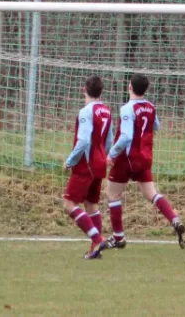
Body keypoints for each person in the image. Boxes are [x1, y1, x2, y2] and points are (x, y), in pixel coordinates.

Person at [106, 74, 185, 249]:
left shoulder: (127, 108)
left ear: (130, 87)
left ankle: (118, 237)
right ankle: (175, 220)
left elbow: (126, 136)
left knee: (113, 194)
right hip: (145, 157)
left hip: (127, 158)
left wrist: (112, 154)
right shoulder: (151, 107)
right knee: (151, 193)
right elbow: (156, 126)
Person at [63, 76, 112, 259]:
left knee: (69, 204)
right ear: (101, 91)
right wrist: (104, 157)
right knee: (91, 204)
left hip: (86, 163)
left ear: (84, 89)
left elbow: (83, 141)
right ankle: (95, 250)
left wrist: (70, 161)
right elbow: (109, 140)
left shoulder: (86, 111)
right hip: (100, 163)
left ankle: (97, 239)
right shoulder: (106, 111)